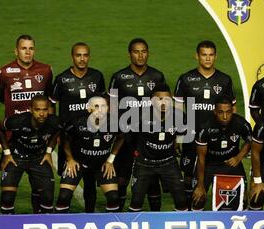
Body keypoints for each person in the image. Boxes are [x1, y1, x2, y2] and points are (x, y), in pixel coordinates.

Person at [0, 34, 54, 213]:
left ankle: (38, 224)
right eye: (23, 48)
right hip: (13, 141)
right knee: (8, 194)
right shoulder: (4, 72)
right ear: (16, 51)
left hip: (39, 141)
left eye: (30, 48)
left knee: (41, 190)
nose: (27, 52)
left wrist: (51, 136)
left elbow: (50, 103)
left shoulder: (45, 70)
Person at [174, 40, 236, 208]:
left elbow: (232, 110)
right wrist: (179, 135)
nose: (207, 59)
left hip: (216, 138)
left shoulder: (224, 80)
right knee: (188, 176)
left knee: (215, 172)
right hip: (191, 135)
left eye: (211, 55)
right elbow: (178, 109)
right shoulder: (186, 79)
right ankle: (187, 210)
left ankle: (214, 207)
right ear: (197, 56)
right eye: (204, 55)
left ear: (215, 56)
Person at [109, 38, 166, 211]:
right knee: (122, 177)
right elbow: (111, 107)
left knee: (152, 178)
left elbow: (165, 104)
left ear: (148, 53)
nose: (140, 55)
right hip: (126, 136)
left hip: (151, 136)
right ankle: (117, 213)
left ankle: (155, 216)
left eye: (144, 51)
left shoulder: (157, 76)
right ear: (129, 54)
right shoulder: (119, 77)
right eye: (136, 51)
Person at [50, 42, 105, 213]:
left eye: (85, 55)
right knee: (68, 177)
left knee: (90, 182)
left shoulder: (97, 77)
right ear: (72, 56)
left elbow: (103, 104)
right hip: (69, 139)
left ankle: (90, 215)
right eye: (78, 55)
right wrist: (56, 129)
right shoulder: (61, 79)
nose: (82, 59)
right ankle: (61, 219)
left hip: (91, 137)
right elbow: (52, 106)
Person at [55, 95, 124, 213]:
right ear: (89, 109)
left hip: (101, 165)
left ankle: (110, 227)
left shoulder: (114, 123)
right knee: (64, 197)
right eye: (96, 106)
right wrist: (70, 159)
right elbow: (64, 139)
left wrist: (110, 160)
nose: (100, 110)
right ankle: (58, 224)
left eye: (103, 106)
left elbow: (121, 137)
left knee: (113, 198)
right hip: (78, 164)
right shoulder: (77, 123)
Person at [128, 83, 188, 212]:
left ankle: (178, 227)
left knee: (182, 200)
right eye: (159, 99)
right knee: (136, 201)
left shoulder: (179, 116)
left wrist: (177, 142)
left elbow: (183, 132)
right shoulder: (140, 117)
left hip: (168, 163)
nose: (163, 103)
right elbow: (129, 138)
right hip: (144, 164)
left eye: (167, 99)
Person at [0, 95, 61, 214]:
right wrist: (7, 153)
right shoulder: (17, 121)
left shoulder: (54, 121)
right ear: (31, 109)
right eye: (37, 110)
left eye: (45, 109)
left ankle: (41, 223)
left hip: (39, 158)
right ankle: (7, 227)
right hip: (16, 158)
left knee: (48, 197)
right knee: (7, 198)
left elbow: (57, 131)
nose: (41, 113)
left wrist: (48, 152)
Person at [193, 98, 252, 210]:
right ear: (215, 111)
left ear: (232, 110)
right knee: (198, 199)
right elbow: (201, 158)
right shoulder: (205, 127)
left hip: (232, 162)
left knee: (243, 199)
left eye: (228, 112)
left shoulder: (241, 123)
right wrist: (200, 186)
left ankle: (242, 222)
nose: (225, 116)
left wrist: (239, 157)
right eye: (221, 112)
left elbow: (250, 140)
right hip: (210, 164)